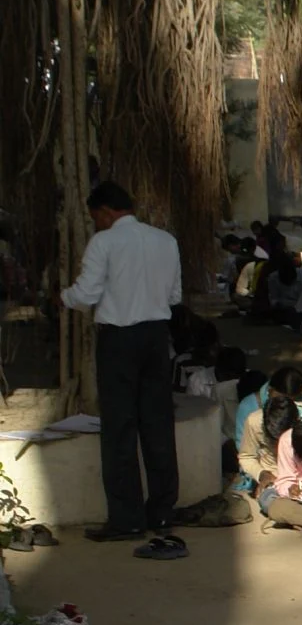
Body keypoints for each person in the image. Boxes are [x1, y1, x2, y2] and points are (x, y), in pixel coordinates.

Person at [64, 183, 187, 559]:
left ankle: (127, 517)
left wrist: (63, 297)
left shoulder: (104, 243)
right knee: (157, 424)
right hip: (155, 337)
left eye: (95, 217)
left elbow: (85, 295)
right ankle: (162, 512)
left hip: (118, 339)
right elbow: (174, 296)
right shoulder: (165, 240)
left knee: (119, 428)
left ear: (103, 212)